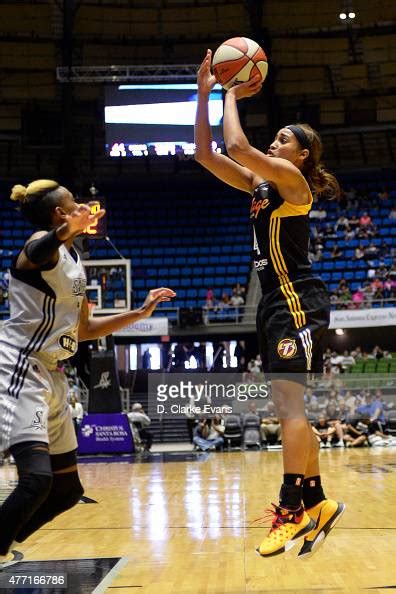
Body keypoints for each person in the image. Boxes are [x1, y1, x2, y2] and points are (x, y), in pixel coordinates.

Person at [195, 50, 345, 558]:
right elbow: (207, 153)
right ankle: (318, 500)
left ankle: (290, 509)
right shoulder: (261, 187)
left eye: (284, 139)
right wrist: (203, 94)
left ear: (302, 156)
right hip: (276, 302)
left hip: (297, 300)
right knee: (291, 409)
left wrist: (230, 92)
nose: (275, 142)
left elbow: (235, 143)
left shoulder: (293, 183)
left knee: (288, 408)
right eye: (276, 136)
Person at [0, 179, 175, 565]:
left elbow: (84, 331)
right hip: (18, 363)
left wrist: (139, 313)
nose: (82, 206)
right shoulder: (40, 248)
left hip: (51, 372)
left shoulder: (75, 261)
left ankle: (3, 541)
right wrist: (67, 229)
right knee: (36, 479)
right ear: (59, 214)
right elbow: (36, 248)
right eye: (72, 203)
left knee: (65, 490)